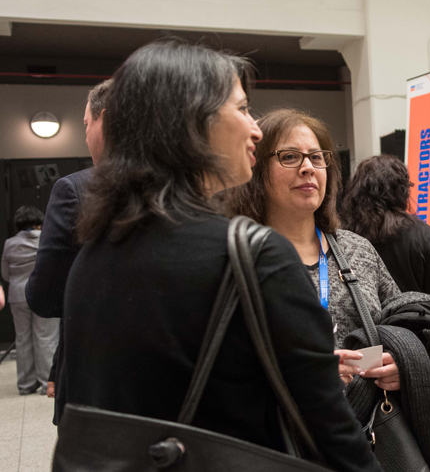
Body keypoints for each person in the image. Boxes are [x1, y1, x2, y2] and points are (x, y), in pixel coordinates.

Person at [61, 41, 380, 472]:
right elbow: (332, 431)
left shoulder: (95, 254)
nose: (256, 130)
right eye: (243, 109)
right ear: (195, 122)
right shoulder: (253, 256)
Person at [226, 109, 403, 391]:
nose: (308, 167)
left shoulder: (357, 249)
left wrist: (401, 361)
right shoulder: (236, 259)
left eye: (316, 157)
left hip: (369, 423)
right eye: (289, 156)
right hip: (284, 427)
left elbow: (400, 322)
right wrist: (304, 372)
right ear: (257, 169)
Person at [26, 78, 112, 421]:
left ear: (105, 119)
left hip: (94, 377)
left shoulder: (75, 190)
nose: (86, 134)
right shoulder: (184, 186)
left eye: (87, 124)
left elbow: (46, 297)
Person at [341, 154, 430, 338]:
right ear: (401, 191)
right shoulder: (421, 234)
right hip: (417, 345)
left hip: (363, 345)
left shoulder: (344, 236)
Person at [2, 206, 59, 395]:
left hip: (17, 296)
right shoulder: (46, 238)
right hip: (43, 293)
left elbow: (5, 274)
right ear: (38, 223)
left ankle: (26, 385)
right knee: (46, 337)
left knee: (22, 338)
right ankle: (46, 384)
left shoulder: (9, 243)